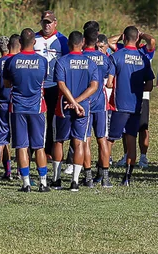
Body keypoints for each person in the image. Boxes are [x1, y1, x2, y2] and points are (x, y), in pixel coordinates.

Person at [107, 26, 154, 186]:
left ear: (125, 38)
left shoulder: (116, 56)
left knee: (110, 140)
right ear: (137, 38)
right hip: (136, 105)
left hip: (119, 105)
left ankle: (103, 175)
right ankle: (127, 178)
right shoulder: (144, 58)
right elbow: (149, 86)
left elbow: (109, 83)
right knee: (131, 140)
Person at [5, 28, 52, 192]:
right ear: (34, 42)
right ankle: (43, 182)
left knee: (21, 146)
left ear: (20, 43)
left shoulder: (12, 61)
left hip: (17, 107)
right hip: (37, 107)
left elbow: (6, 83)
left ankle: (26, 183)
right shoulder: (42, 61)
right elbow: (43, 81)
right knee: (39, 146)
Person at [53, 31, 100, 192]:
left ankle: (57, 179)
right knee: (78, 141)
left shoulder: (62, 62)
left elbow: (61, 84)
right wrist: (78, 103)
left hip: (64, 105)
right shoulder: (90, 63)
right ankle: (74, 182)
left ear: (68, 44)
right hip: (83, 108)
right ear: (83, 43)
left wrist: (72, 102)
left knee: (59, 141)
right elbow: (94, 86)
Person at [35, 11, 70, 185]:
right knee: (39, 118)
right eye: (44, 22)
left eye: (49, 22)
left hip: (55, 85)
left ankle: (49, 150)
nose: (46, 25)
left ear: (55, 23)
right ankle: (36, 149)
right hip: (38, 86)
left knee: (53, 119)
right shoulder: (35, 39)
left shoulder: (62, 41)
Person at [82, 21, 114, 187]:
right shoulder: (104, 58)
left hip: (85, 101)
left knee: (86, 139)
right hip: (101, 102)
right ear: (96, 41)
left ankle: (88, 177)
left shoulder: (80, 57)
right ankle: (106, 178)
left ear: (83, 40)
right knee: (102, 139)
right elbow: (109, 82)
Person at [0, 35, 20, 187]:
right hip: (18, 105)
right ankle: (22, 174)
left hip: (1, 104)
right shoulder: (19, 62)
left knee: (0, 142)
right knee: (22, 142)